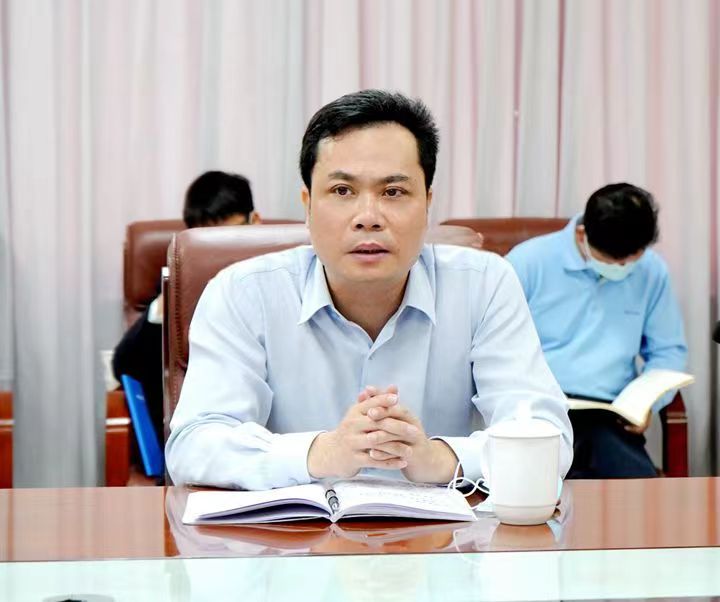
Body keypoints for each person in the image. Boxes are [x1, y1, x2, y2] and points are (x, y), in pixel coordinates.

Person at [166, 89, 572, 490]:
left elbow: (548, 440)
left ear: (427, 204)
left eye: (393, 192)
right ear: (307, 205)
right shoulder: (243, 293)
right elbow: (194, 445)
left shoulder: (484, 284)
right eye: (342, 191)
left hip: (443, 531)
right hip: (295, 532)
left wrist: (437, 458)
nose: (368, 217)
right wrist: (321, 454)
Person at [506, 183, 687, 478]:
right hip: (538, 411)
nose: (623, 267)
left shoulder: (651, 270)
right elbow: (494, 343)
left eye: (631, 259)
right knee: (539, 485)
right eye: (614, 261)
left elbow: (668, 351)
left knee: (639, 492)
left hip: (610, 416)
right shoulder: (527, 262)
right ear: (582, 235)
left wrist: (648, 403)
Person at [112, 170, 259, 441]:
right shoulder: (179, 284)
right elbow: (124, 366)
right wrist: (164, 306)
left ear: (256, 222)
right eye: (210, 241)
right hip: (198, 431)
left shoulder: (279, 278)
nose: (225, 252)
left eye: (234, 235)